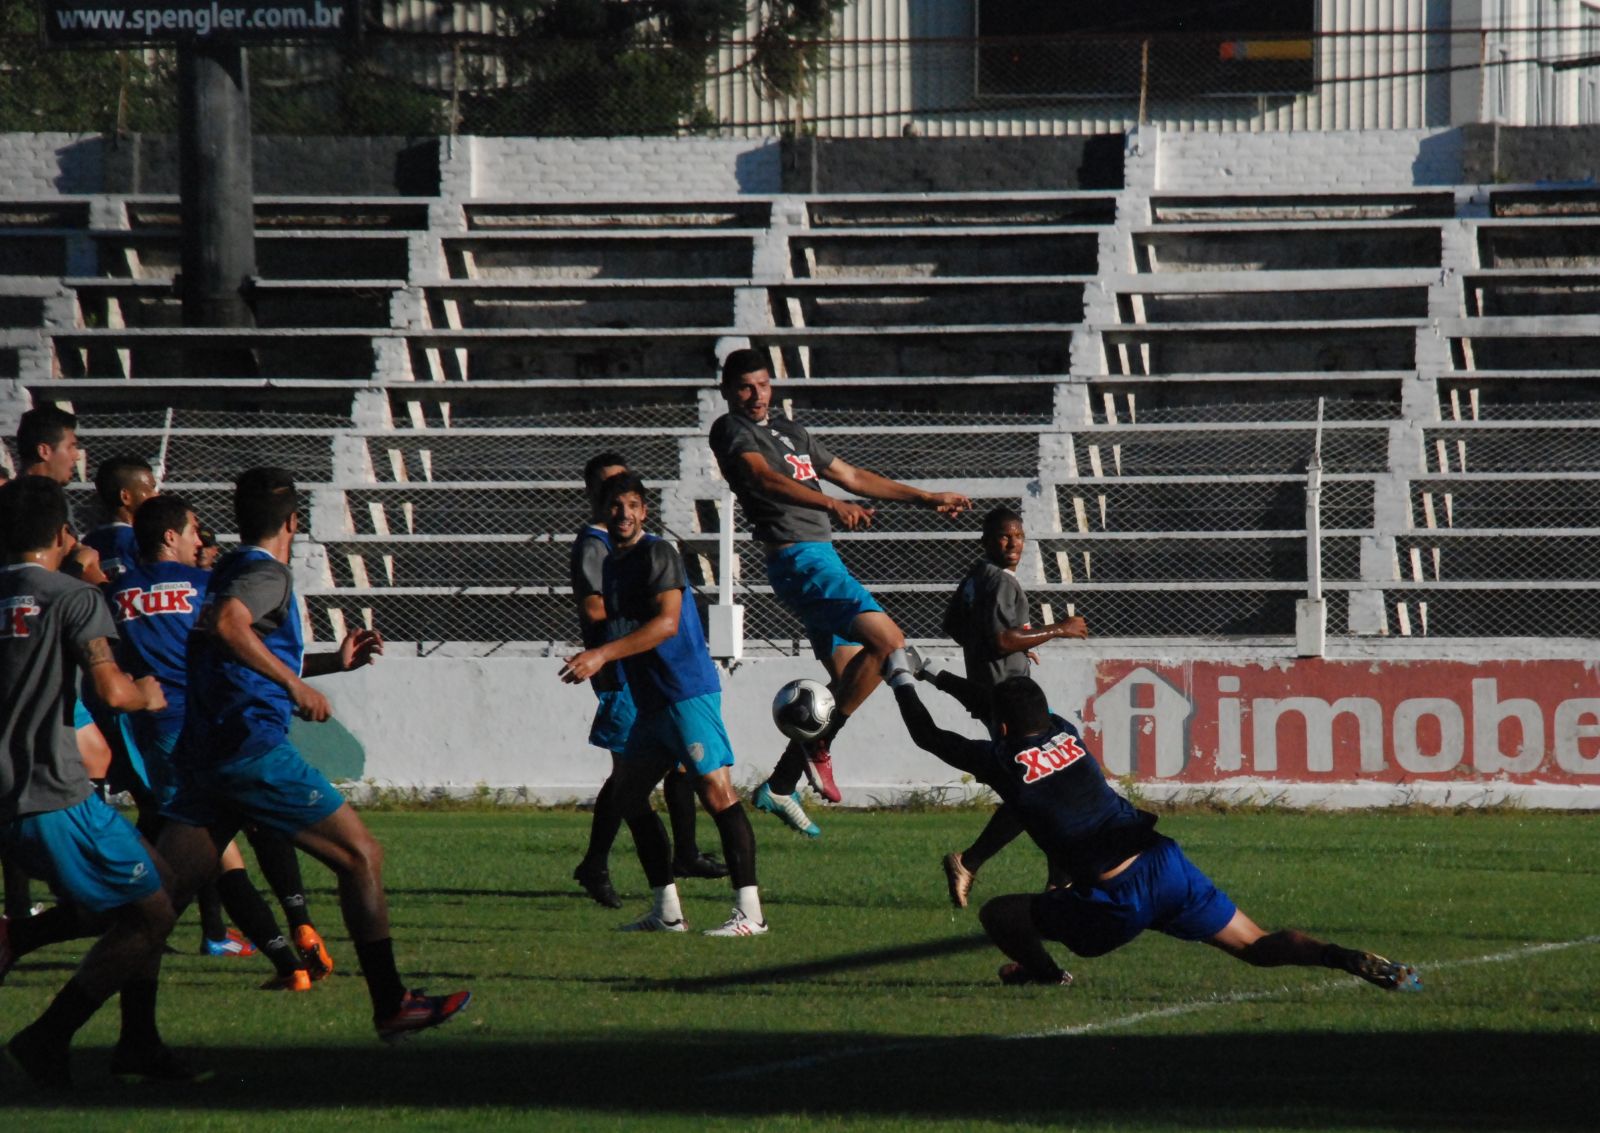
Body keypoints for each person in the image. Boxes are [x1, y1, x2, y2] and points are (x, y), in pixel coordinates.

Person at [153, 467, 470, 1039]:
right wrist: (298, 687)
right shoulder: (265, 574)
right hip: (249, 751)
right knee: (361, 857)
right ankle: (392, 1003)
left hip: (208, 757)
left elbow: (235, 650)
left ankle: (50, 987)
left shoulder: (225, 570)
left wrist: (326, 664)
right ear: (295, 521)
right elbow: (230, 627)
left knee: (153, 904)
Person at [881, 661, 1423, 993]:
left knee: (999, 914)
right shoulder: (1066, 731)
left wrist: (902, 677)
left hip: (1116, 895)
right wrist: (932, 673)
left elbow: (930, 736)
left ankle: (1044, 975)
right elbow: (1003, 709)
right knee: (1256, 945)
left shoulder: (1002, 761)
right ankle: (1339, 956)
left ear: (998, 729)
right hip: (1166, 864)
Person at [709, 347, 971, 834]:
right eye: (745, 387)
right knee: (889, 642)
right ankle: (812, 747)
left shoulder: (791, 432)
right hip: (798, 559)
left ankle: (782, 782)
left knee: (856, 675)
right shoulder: (731, 430)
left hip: (821, 559)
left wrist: (926, 498)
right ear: (727, 391)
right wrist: (831, 505)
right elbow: (763, 480)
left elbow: (851, 476)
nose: (756, 395)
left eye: (763, 384)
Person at [0, 475, 201, 1088]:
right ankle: (48, 1035)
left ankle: (133, 1037)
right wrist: (144, 693)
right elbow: (113, 690)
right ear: (64, 534)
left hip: (9, 795)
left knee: (156, 888)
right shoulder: (74, 599)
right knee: (152, 913)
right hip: (54, 793)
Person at [112, 493, 330, 987]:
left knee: (214, 857)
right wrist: (316, 671)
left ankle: (287, 961)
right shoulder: (207, 589)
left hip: (161, 736)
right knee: (247, 838)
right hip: (216, 726)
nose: (200, 542)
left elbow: (104, 671)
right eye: (193, 531)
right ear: (171, 535)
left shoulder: (114, 594)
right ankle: (296, 937)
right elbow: (242, 646)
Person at [560, 472, 767, 936]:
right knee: (629, 795)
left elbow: (667, 624)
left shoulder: (659, 553)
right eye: (616, 506)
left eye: (633, 505)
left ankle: (751, 913)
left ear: (644, 512)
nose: (625, 514)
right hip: (650, 697)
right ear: (603, 511)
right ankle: (668, 911)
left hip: (684, 691)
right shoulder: (612, 564)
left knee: (716, 794)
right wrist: (599, 660)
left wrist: (601, 655)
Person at [569, 452, 725, 909]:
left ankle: (687, 853)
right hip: (621, 669)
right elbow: (596, 609)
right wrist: (633, 631)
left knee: (677, 762)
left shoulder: (641, 543)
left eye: (627, 490)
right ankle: (596, 863)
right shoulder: (594, 544)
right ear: (594, 496)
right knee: (627, 776)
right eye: (608, 490)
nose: (619, 501)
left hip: (655, 669)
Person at [922, 507, 1087, 908]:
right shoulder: (1002, 583)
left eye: (1017, 536)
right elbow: (1000, 641)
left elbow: (956, 627)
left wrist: (1018, 645)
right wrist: (1058, 630)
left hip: (994, 690)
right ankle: (972, 861)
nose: (1012, 544)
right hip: (1011, 700)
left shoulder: (977, 576)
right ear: (986, 540)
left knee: (1043, 783)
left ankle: (1058, 882)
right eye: (1003, 537)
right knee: (1036, 786)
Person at [83, 454, 158, 584]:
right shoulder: (142, 541)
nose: (156, 495)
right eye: (151, 488)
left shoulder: (86, 543)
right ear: (125, 496)